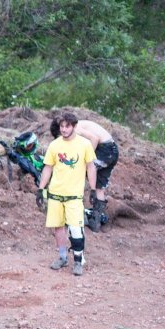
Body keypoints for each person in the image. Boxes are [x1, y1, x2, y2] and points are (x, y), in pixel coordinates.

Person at [38, 112, 96, 276]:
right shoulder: (54, 145)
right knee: (58, 227)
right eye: (62, 126)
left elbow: (91, 167)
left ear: (74, 126)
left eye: (67, 126)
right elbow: (48, 167)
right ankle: (62, 257)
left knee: (76, 229)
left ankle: (78, 262)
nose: (63, 129)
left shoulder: (84, 144)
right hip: (55, 193)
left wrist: (92, 188)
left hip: (74, 195)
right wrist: (41, 189)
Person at [50, 117, 118, 232]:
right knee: (99, 187)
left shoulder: (76, 129)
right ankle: (96, 220)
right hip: (112, 150)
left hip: (105, 149)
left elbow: (94, 138)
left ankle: (71, 209)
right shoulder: (74, 128)